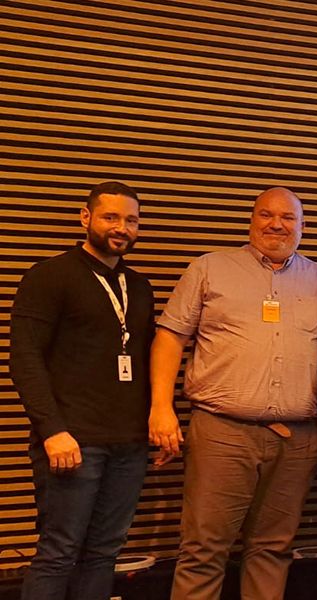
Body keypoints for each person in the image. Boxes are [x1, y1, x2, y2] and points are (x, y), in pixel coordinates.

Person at [149, 187, 317, 600]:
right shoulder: (209, 269)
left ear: (302, 226)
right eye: (266, 215)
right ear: (251, 220)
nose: (276, 225)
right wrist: (161, 408)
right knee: (203, 549)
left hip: (298, 439)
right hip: (222, 433)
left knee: (273, 549)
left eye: (288, 217)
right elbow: (170, 338)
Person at [10, 181, 155, 600]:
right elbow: (24, 359)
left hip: (129, 445)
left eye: (131, 220)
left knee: (104, 553)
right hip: (72, 442)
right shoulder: (49, 275)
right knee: (58, 552)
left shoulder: (139, 286)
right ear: (85, 217)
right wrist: (52, 430)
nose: (122, 228)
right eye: (111, 217)